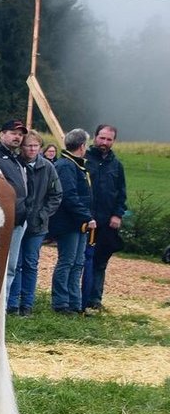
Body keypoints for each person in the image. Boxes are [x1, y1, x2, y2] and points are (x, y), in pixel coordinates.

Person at [5, 130, 62, 316]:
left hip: (37, 224)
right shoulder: (15, 165)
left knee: (30, 263)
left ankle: (27, 303)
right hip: (18, 221)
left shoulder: (47, 167)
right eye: (28, 145)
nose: (31, 149)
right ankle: (12, 303)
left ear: (40, 148)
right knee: (15, 263)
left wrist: (43, 214)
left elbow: (56, 194)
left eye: (35, 146)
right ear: (22, 147)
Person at [0, 120, 29, 308]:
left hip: (18, 219)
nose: (17, 136)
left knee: (11, 266)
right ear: (1, 134)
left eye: (20, 134)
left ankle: (4, 305)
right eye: (12, 132)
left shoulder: (18, 158)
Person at [48, 128, 94, 315]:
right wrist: (86, 216)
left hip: (78, 223)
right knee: (67, 261)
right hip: (68, 223)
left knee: (78, 262)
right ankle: (61, 302)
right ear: (82, 146)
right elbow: (69, 196)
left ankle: (75, 303)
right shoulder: (66, 165)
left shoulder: (76, 165)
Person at [83, 124, 126, 312]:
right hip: (85, 220)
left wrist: (117, 214)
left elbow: (121, 193)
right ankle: (77, 298)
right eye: (102, 138)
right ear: (95, 137)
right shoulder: (84, 159)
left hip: (106, 221)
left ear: (113, 141)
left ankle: (94, 299)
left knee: (100, 262)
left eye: (109, 139)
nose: (104, 142)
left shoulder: (116, 165)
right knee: (78, 260)